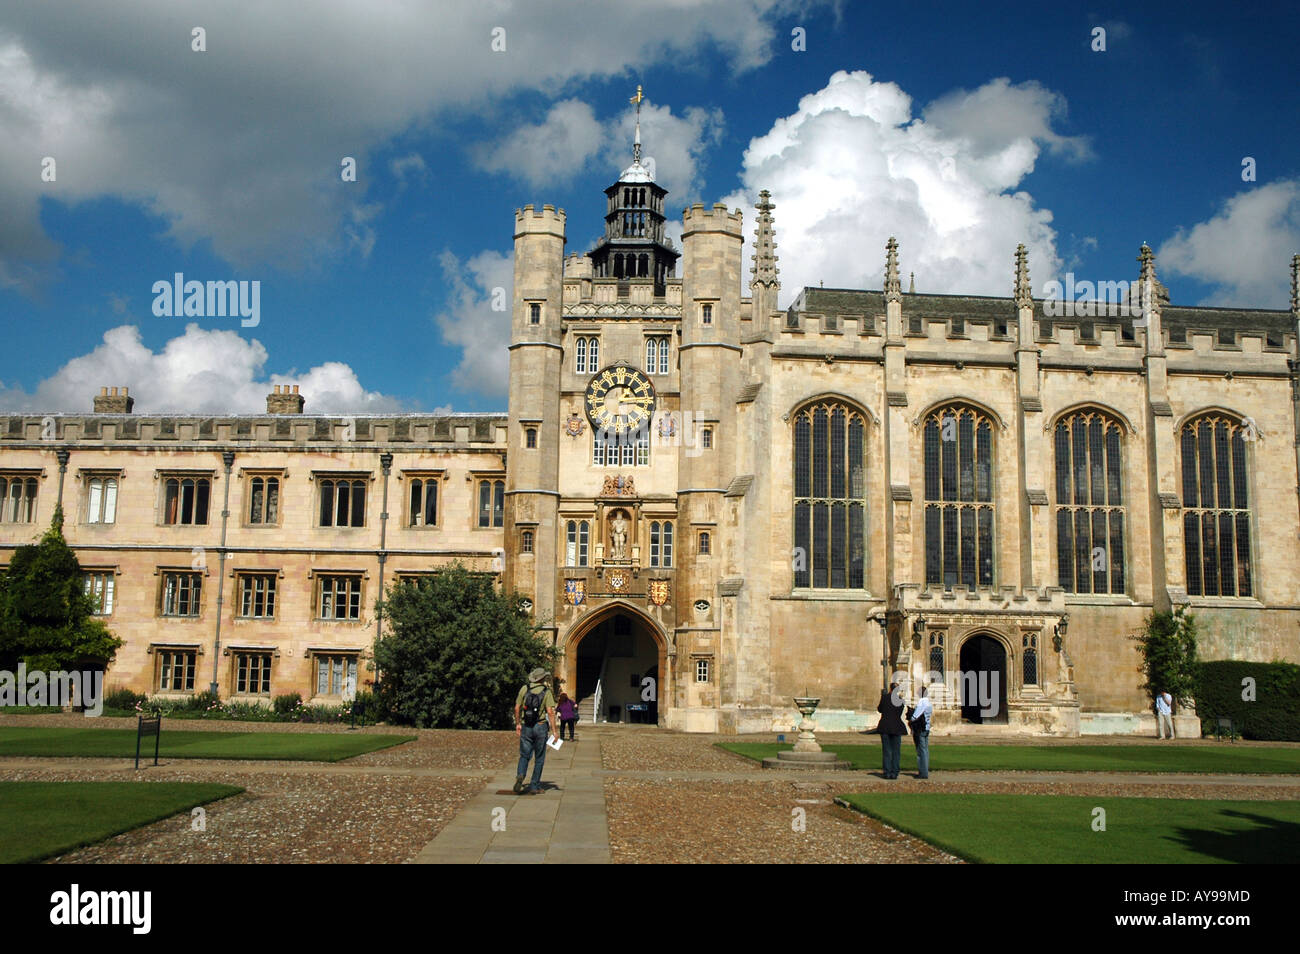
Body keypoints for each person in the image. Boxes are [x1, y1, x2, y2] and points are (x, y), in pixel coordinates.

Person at [514, 668, 557, 795]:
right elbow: (550, 712)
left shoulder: (524, 688)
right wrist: (555, 731)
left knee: (524, 755)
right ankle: (534, 785)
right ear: (542, 678)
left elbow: (517, 708)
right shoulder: (546, 691)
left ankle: (520, 775)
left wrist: (517, 724)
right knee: (539, 758)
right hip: (540, 725)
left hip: (526, 725)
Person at [876, 681, 907, 779]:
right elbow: (899, 712)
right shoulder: (900, 700)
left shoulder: (884, 698)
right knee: (896, 751)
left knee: (887, 751)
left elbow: (880, 709)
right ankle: (895, 772)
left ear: (890, 689)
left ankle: (887, 772)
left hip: (885, 726)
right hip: (897, 727)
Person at [906, 686, 933, 779]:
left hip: (920, 729)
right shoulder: (929, 703)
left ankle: (923, 773)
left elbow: (915, 716)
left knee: (921, 751)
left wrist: (910, 719)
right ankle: (925, 770)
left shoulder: (922, 703)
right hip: (927, 728)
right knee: (925, 750)